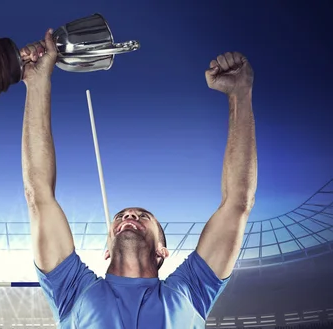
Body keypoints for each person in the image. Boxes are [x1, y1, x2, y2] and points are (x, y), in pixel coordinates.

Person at [20, 28, 257, 328]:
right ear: (105, 250)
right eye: (122, 215)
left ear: (162, 251)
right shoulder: (73, 290)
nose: (130, 214)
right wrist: (37, 83)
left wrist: (240, 94)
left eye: (143, 216)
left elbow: (238, 203)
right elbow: (38, 195)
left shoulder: (191, 292)